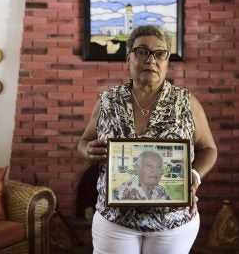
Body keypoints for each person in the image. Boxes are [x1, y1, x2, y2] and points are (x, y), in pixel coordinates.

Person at [77, 24, 217, 254]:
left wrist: (194, 175)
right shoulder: (108, 101)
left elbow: (209, 149)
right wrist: (87, 151)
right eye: (142, 51)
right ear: (128, 58)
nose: (150, 59)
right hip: (115, 221)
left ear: (167, 60)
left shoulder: (187, 102)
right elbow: (83, 143)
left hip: (173, 221)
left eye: (159, 53)